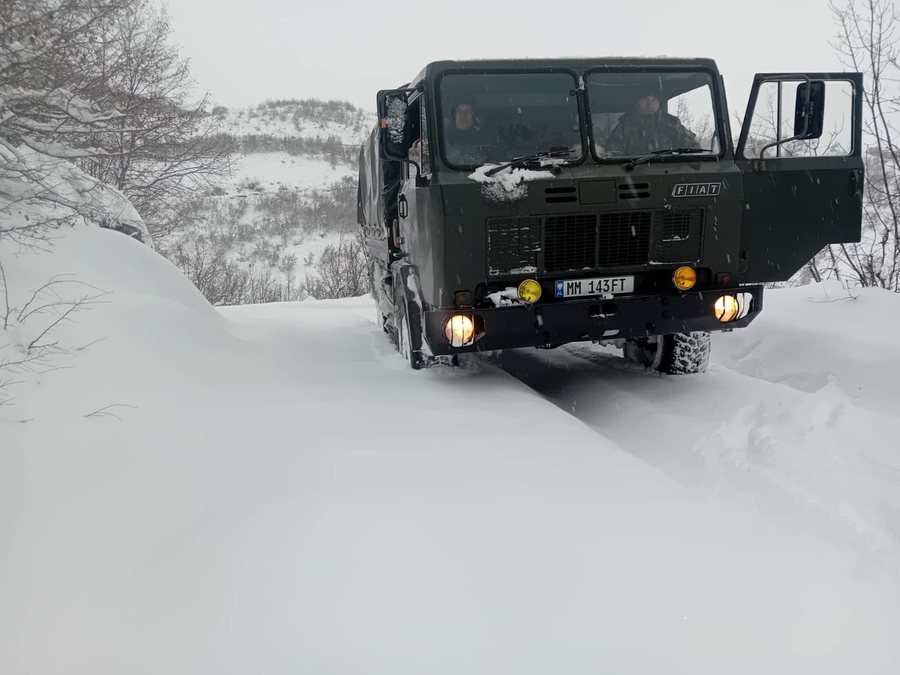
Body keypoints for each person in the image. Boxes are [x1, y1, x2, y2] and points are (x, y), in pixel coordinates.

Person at [604, 88, 700, 157]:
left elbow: (693, 148)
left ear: (659, 102)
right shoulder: (625, 125)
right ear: (637, 103)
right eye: (644, 100)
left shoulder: (671, 123)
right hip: (635, 173)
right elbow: (613, 154)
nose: (649, 104)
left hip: (668, 171)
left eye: (653, 99)